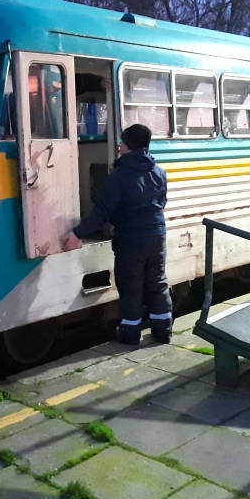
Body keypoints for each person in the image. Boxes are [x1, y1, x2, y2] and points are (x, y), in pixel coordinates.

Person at [63, 123, 173, 345]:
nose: (119, 145)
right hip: (157, 235)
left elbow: (102, 212)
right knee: (157, 282)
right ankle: (163, 331)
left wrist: (78, 233)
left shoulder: (119, 176)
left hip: (131, 239)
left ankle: (130, 334)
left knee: (131, 286)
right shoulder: (159, 172)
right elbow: (162, 202)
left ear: (129, 146)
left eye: (122, 141)